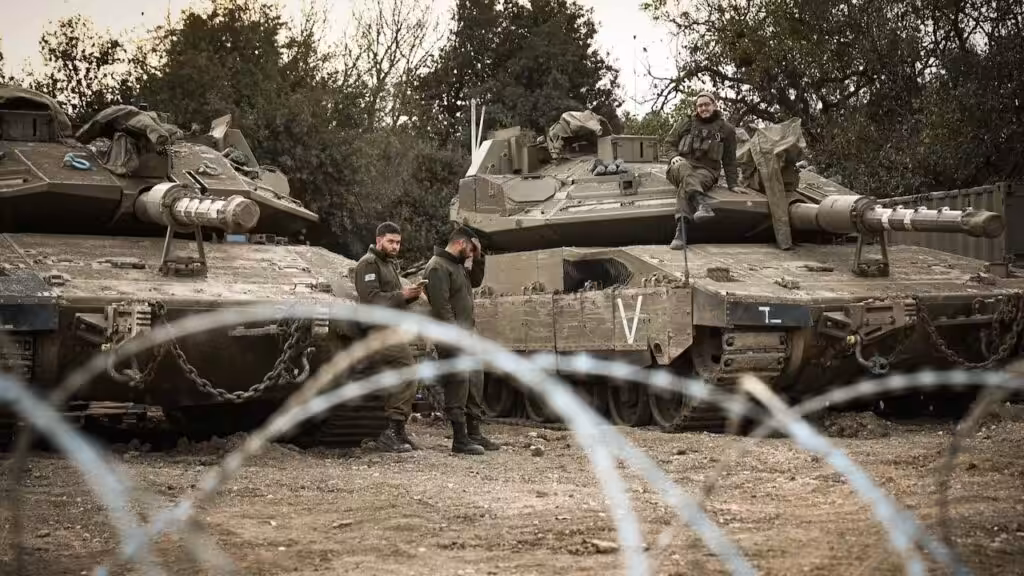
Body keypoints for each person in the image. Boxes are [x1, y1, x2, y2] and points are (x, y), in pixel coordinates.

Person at [422, 226, 500, 455]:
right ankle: (459, 439)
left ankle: (474, 433)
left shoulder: (456, 265)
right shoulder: (437, 266)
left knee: (475, 381)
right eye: (471, 247)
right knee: (458, 383)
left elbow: (475, 281)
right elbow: (441, 307)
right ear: (460, 243)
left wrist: (479, 256)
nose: (471, 251)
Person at [353, 221, 424, 453]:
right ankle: (391, 433)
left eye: (398, 242)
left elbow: (393, 299)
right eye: (391, 241)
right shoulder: (369, 264)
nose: (395, 246)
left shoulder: (388, 264)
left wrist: (411, 295)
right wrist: (401, 294)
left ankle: (398, 431)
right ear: (379, 240)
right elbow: (372, 299)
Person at [662, 91, 739, 250]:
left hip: (707, 171)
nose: (703, 108)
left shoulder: (727, 130)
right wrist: (673, 156)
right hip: (680, 165)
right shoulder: (686, 123)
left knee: (687, 184)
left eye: (706, 104)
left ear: (714, 105)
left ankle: (681, 232)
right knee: (683, 169)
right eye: (700, 106)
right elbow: (668, 144)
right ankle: (700, 203)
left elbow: (730, 159)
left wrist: (733, 184)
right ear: (696, 108)